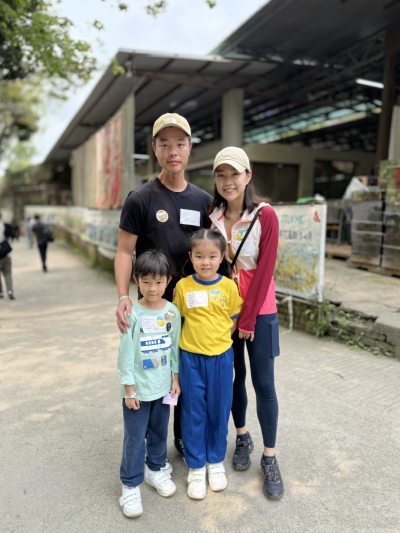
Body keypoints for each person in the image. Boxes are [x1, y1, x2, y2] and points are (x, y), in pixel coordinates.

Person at [115, 112, 212, 457]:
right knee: (147, 368)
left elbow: (215, 252)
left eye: (180, 144)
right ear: (154, 148)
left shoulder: (203, 201)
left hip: (190, 306)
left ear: (190, 148)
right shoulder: (140, 198)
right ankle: (144, 439)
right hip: (151, 305)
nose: (173, 151)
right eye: (165, 144)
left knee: (183, 369)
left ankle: (182, 437)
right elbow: (124, 251)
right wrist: (123, 296)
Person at [209, 147, 284, 500]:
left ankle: (269, 457)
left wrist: (249, 318)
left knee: (263, 383)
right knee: (233, 377)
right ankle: (242, 436)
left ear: (248, 176)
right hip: (226, 312)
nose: (228, 181)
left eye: (234, 174)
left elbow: (265, 270)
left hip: (260, 312)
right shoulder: (212, 217)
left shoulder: (265, 215)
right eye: (221, 175)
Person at [173, 229, 243, 500]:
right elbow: (176, 320)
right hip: (191, 359)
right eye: (199, 256)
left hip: (222, 359)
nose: (205, 262)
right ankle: (195, 466)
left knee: (219, 410)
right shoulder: (182, 287)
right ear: (190, 257)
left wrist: (219, 339)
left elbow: (234, 318)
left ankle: (215, 462)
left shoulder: (229, 287)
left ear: (222, 257)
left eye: (212, 256)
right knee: (193, 413)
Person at [117, 250, 181, 518]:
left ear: (168, 281)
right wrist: (128, 389)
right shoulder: (132, 313)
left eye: (158, 282)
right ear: (136, 280)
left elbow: (174, 347)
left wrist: (175, 378)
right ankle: (130, 485)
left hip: (163, 388)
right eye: (146, 282)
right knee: (134, 438)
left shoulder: (172, 312)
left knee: (158, 432)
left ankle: (155, 469)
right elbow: (125, 353)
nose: (152, 288)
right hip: (137, 391)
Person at [0, 213, 15, 300]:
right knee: (7, 273)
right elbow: (11, 237)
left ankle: (0, 292)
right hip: (6, 253)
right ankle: (10, 291)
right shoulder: (6, 226)